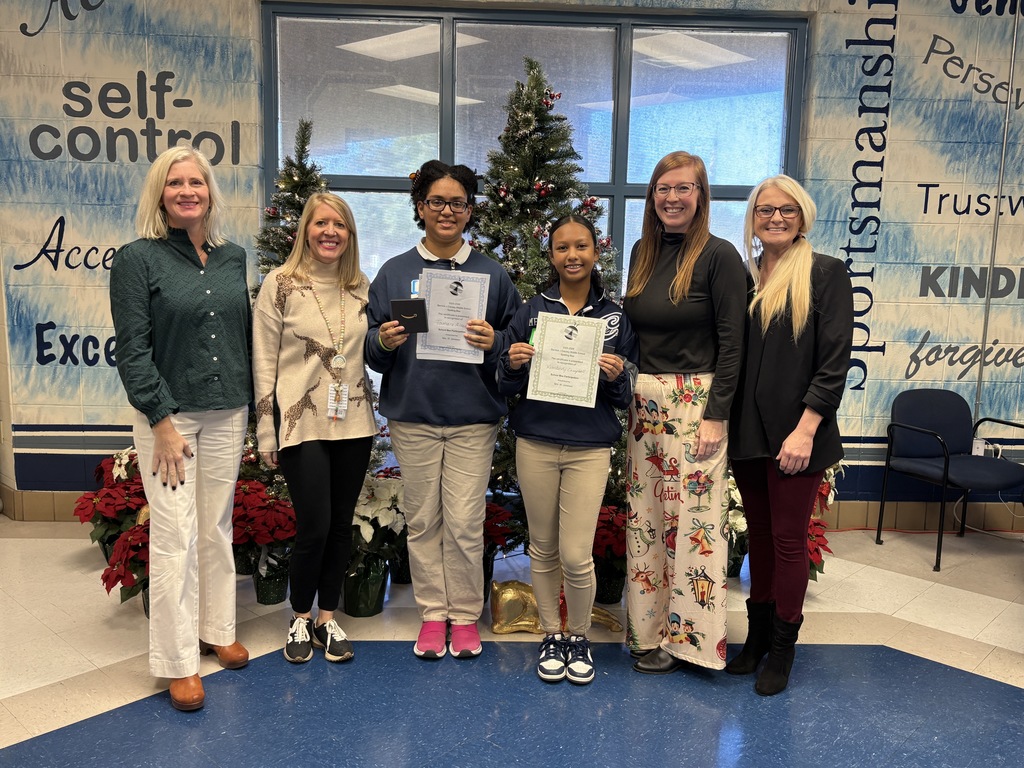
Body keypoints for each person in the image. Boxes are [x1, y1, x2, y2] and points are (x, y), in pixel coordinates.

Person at [109, 145, 252, 711]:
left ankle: (216, 630)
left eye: (197, 181)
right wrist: (161, 419)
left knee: (216, 527)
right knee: (174, 535)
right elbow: (133, 350)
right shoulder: (137, 258)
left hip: (227, 411)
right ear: (160, 194)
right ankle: (176, 661)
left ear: (210, 192)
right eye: (176, 183)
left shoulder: (232, 256)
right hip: (169, 419)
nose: (188, 190)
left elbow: (241, 338)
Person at [365, 160, 520, 660]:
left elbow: (517, 344)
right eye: (437, 202)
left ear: (470, 210)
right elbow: (369, 348)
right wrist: (383, 340)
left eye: (458, 202)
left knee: (463, 520)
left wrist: (495, 340)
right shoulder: (396, 272)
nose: (447, 211)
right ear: (420, 208)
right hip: (413, 415)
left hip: (473, 418)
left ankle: (465, 615)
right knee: (423, 519)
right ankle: (433, 615)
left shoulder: (491, 275)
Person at [496, 215, 639, 685]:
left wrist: (619, 377)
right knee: (542, 547)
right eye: (562, 248)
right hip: (535, 442)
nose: (572, 255)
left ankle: (578, 636)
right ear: (551, 254)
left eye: (581, 246)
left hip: (588, 448)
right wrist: (513, 363)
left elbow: (625, 396)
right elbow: (505, 381)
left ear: (596, 252)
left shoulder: (614, 317)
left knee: (576, 554)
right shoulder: (531, 309)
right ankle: (551, 634)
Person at [726, 175, 853, 695]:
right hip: (747, 434)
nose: (775, 218)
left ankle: (782, 651)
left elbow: (834, 362)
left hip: (798, 435)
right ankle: (754, 641)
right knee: (757, 539)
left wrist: (806, 430)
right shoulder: (746, 276)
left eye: (787, 210)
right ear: (753, 219)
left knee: (787, 541)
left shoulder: (825, 274)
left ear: (803, 216)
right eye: (764, 210)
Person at [622, 151, 747, 674]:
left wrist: (718, 416)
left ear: (701, 196)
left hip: (697, 403)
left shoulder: (720, 257)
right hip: (644, 404)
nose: (672, 198)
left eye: (684, 188)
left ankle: (693, 642)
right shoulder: (640, 253)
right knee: (646, 523)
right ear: (652, 197)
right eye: (663, 189)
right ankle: (648, 635)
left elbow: (733, 343)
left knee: (693, 525)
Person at [252, 193, 377, 664]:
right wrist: (267, 432)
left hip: (354, 421)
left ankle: (327, 617)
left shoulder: (361, 285)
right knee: (314, 525)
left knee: (341, 526)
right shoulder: (280, 284)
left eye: (340, 225)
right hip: (300, 423)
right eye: (321, 223)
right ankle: (299, 617)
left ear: (350, 234)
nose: (330, 232)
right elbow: (263, 362)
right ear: (306, 229)